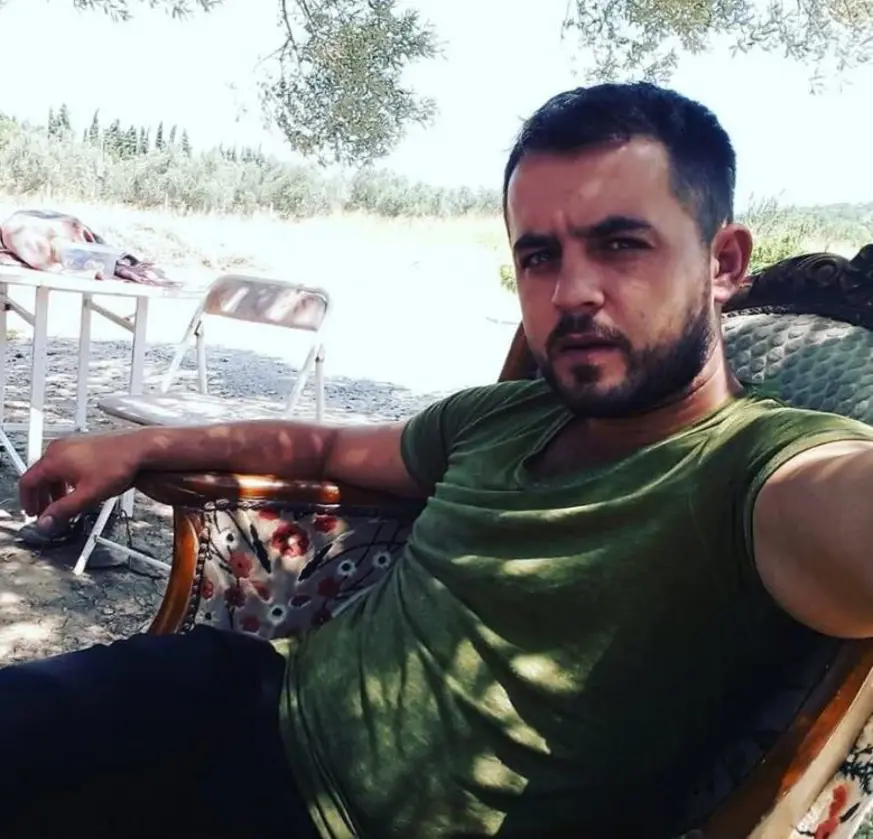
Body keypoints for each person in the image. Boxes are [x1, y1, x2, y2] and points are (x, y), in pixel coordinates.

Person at [7, 81, 873, 839]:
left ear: (722, 263)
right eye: (539, 256)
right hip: (243, 699)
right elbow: (322, 446)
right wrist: (138, 444)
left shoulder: (764, 472)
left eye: (620, 244)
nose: (570, 292)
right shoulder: (504, 414)